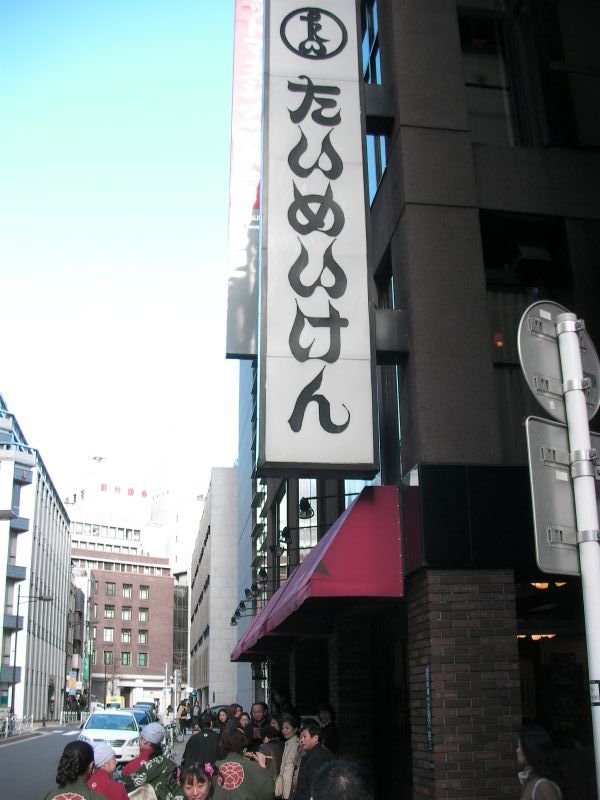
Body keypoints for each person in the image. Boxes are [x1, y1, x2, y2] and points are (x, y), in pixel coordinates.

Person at [119, 722, 179, 800]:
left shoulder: (130, 767)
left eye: (140, 738)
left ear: (145, 740)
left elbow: (123, 790)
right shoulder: (168, 763)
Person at [212, 726, 274, 800]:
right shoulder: (254, 767)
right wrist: (263, 766)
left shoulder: (214, 767)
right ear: (243, 744)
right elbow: (268, 790)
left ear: (223, 744)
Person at [517, 725, 564, 800]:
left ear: (530, 748)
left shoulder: (543, 786)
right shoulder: (530, 781)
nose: (517, 750)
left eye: (519, 746)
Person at [289, 721, 333, 800]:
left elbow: (312, 787)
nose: (301, 740)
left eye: (304, 736)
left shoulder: (318, 756)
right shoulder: (311, 753)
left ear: (315, 738)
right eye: (300, 737)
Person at [274, 714, 300, 799]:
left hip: (290, 784)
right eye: (283, 728)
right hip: (285, 782)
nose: (284, 731)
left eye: (287, 728)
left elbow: (292, 767)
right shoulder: (289, 742)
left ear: (295, 729)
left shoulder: (296, 744)